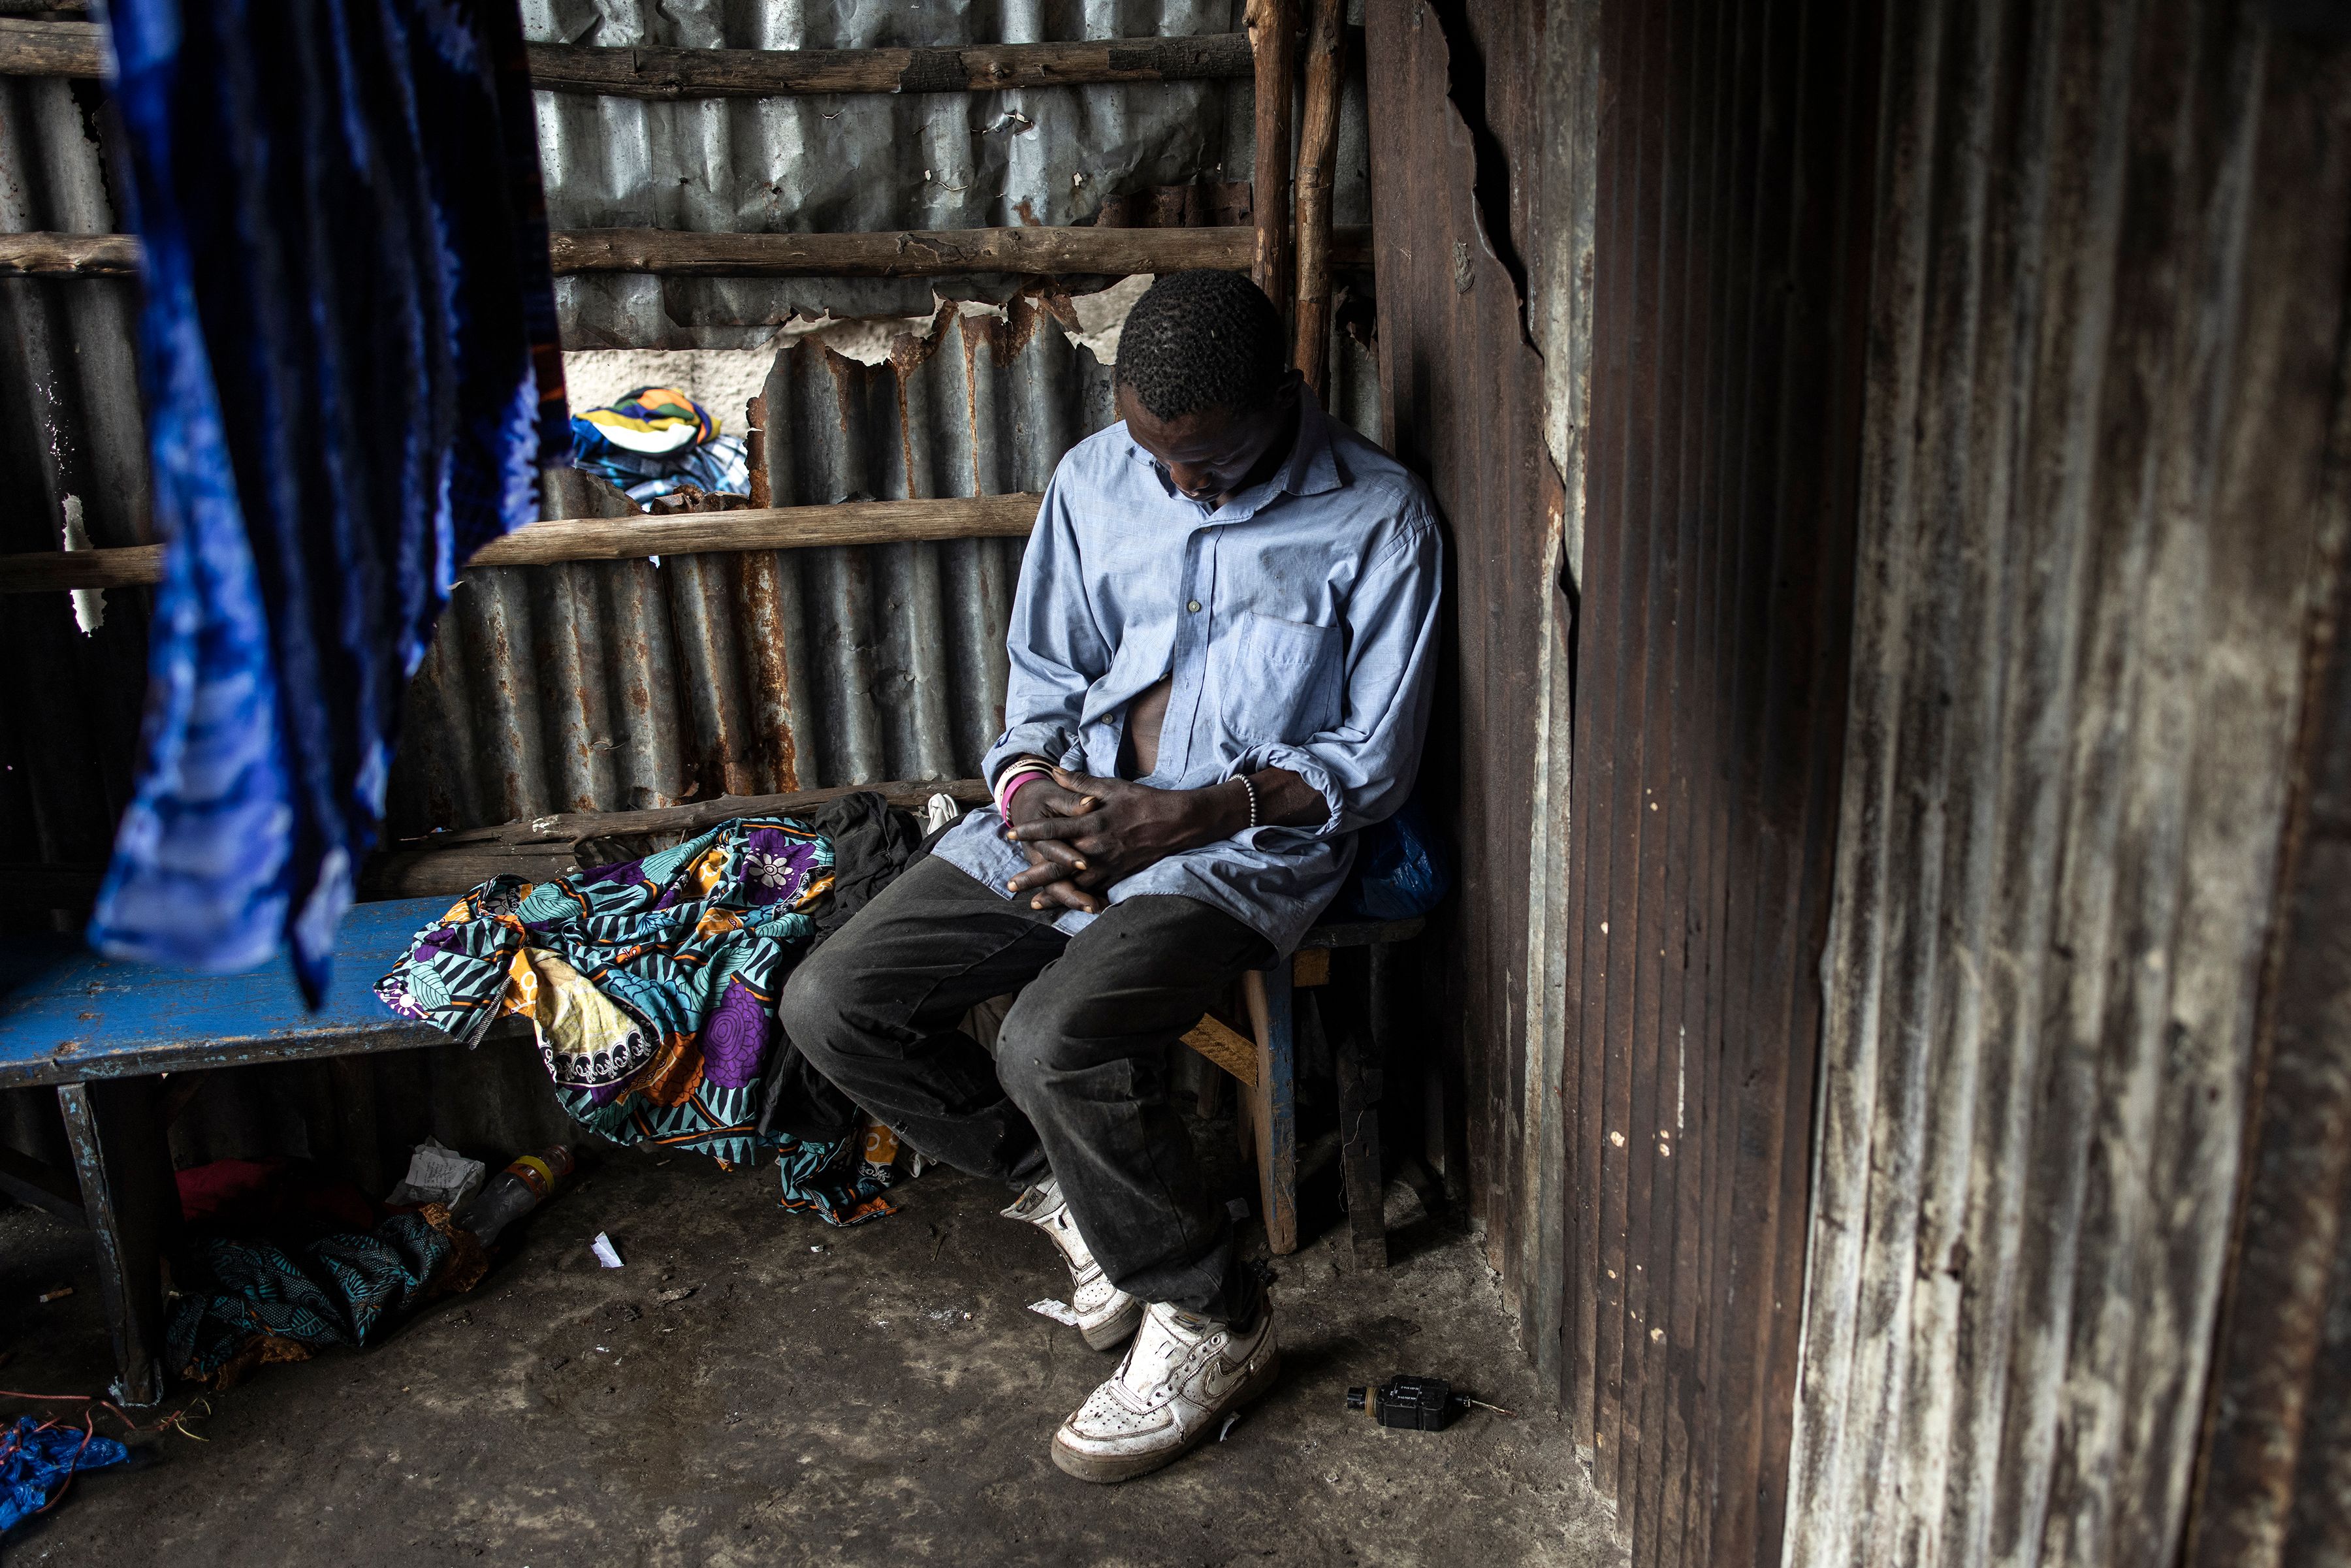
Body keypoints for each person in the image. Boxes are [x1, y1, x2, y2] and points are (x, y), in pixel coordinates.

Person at [780, 270, 1443, 1483]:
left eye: (1211, 463)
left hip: (1236, 855)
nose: (1180, 485)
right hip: (1068, 824)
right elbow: (1041, 684)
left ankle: (1215, 1313)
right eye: (1159, 457)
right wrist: (1037, 803)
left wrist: (1188, 813)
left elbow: (1374, 762)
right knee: (833, 1003)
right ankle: (1068, 1193)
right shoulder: (1096, 478)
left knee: (1051, 1041)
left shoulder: (1379, 518)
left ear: (1286, 402)